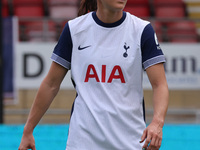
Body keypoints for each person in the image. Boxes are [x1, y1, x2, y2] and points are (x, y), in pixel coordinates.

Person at [18, 0, 169, 150]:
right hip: (82, 142)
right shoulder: (74, 29)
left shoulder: (142, 30)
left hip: (130, 142)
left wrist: (157, 122)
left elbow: (159, 84)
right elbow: (51, 84)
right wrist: (28, 129)